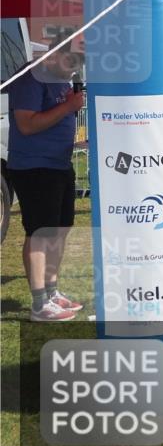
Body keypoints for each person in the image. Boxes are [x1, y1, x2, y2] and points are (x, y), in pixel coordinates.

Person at [6, 35, 86, 321]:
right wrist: (68, 107)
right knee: (40, 233)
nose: (73, 71)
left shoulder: (60, 79)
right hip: (34, 168)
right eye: (71, 63)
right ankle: (39, 303)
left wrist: (77, 143)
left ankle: (52, 292)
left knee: (59, 231)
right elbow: (26, 125)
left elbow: (55, 121)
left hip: (58, 165)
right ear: (54, 55)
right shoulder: (30, 78)